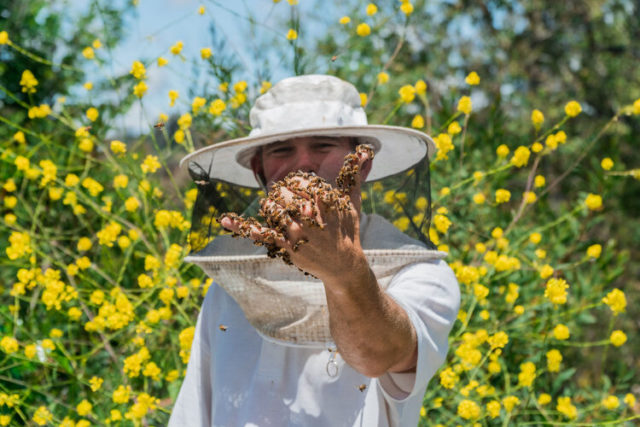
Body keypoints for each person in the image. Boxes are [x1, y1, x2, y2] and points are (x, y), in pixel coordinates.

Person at [169, 75, 460, 427]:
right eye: (281, 150)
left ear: (362, 163)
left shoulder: (418, 272)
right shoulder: (232, 282)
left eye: (323, 145)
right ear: (260, 171)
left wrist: (344, 271)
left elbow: (378, 356)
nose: (303, 165)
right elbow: (194, 412)